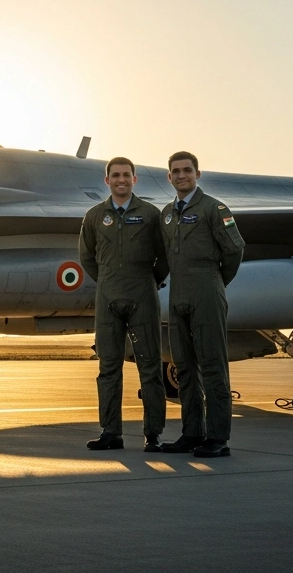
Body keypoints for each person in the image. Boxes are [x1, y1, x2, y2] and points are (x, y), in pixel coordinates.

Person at [158, 151, 245, 458]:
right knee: (183, 366)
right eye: (176, 171)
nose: (181, 176)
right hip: (178, 293)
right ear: (169, 177)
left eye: (187, 170)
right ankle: (192, 432)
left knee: (212, 366)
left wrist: (216, 282)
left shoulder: (213, 208)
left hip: (207, 290)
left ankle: (218, 437)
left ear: (197, 173)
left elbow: (235, 250)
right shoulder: (167, 213)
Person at [79, 157, 169, 452]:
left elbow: (164, 255)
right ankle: (111, 433)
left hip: (143, 296)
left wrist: (147, 280)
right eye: (115, 175)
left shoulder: (150, 214)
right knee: (108, 367)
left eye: (126, 175)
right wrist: (108, 279)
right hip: (107, 299)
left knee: (151, 366)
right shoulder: (94, 216)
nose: (121, 180)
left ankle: (153, 433)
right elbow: (88, 258)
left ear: (134, 179)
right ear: (107, 180)